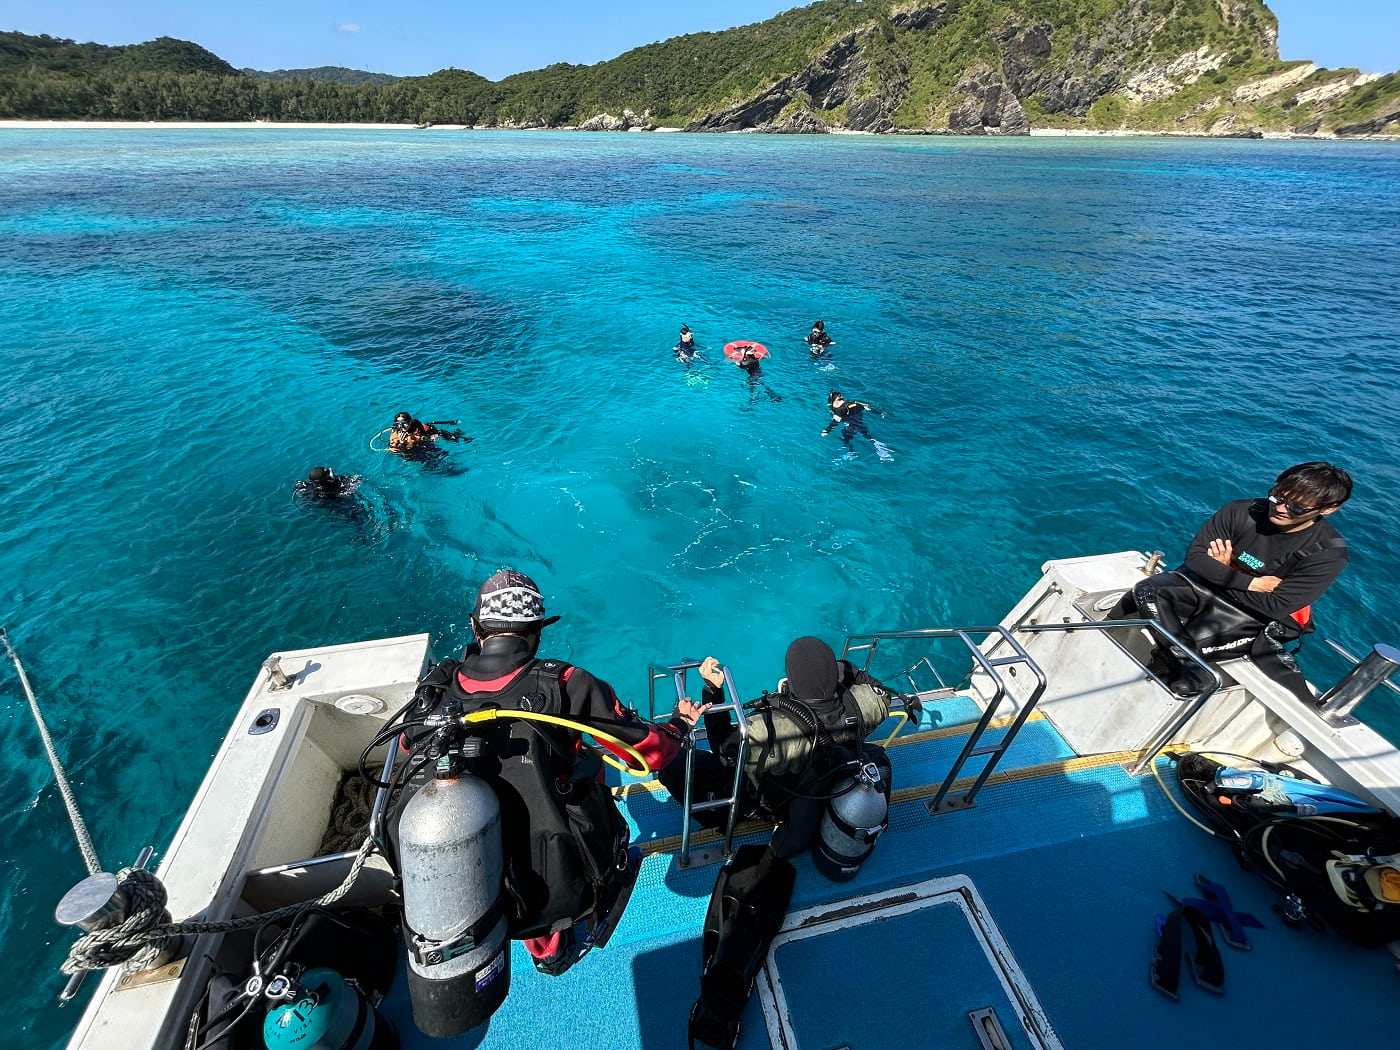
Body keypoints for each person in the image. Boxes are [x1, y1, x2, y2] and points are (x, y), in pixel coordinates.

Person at [390, 569, 709, 976]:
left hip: (455, 873)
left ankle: (544, 947)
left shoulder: (435, 690)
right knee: (586, 765)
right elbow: (647, 754)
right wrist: (680, 725)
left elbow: (407, 747)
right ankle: (552, 950)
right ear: (538, 631)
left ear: (475, 626)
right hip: (546, 866)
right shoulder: (567, 684)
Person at [1110, 462, 1353, 698]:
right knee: (1146, 590)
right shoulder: (1241, 511)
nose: (1280, 508)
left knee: (1169, 663)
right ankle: (1188, 663)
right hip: (1221, 588)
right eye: (1277, 497)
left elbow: (1275, 606)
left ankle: (1174, 672)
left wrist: (1219, 572)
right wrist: (1249, 582)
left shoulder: (1328, 554)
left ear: (1328, 509)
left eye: (1297, 508)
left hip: (1256, 615)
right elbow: (1195, 559)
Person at [657, 637, 908, 860]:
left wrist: (713, 690)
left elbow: (725, 751)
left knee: (672, 764)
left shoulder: (769, 731)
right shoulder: (871, 705)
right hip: (825, 779)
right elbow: (873, 685)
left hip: (772, 799)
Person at [387, 411, 468, 453]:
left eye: (404, 423)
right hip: (414, 452)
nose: (402, 427)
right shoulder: (396, 435)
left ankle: (459, 436)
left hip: (426, 444)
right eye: (399, 424)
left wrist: (432, 437)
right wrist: (402, 443)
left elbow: (434, 433)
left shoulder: (418, 427)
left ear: (410, 422)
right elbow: (396, 452)